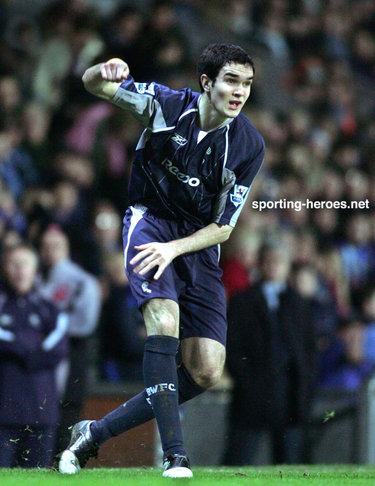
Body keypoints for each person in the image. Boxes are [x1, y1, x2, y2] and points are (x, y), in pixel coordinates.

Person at [58, 43, 264, 478]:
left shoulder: (249, 145)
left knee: (206, 370)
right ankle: (176, 455)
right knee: (164, 322)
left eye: (246, 83)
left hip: (198, 245)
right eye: (231, 80)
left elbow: (225, 225)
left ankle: (93, 434)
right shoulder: (167, 105)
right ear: (206, 82)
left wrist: (176, 249)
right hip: (150, 223)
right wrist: (104, 69)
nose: (239, 91)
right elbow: (93, 84)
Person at [222, 243, 316, 465]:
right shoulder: (242, 301)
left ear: (287, 265)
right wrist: (245, 380)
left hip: (289, 393)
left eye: (279, 261)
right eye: (268, 260)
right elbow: (233, 347)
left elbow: (309, 350)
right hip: (251, 393)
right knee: (239, 460)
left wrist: (305, 385)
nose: (273, 266)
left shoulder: (298, 303)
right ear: (260, 263)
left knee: (289, 464)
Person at [0, 243, 68, 468]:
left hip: (41, 411)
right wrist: (31, 345)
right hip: (3, 413)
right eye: (13, 264)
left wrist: (17, 346)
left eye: (25, 264)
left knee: (37, 478)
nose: (20, 270)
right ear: (4, 268)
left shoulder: (49, 309)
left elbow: (57, 349)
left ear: (35, 270)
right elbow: (38, 351)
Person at [37, 226, 101, 456]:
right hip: (41, 353)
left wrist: (48, 330)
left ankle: (62, 456)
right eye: (45, 247)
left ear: (66, 249)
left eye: (56, 246)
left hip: (72, 351)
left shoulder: (83, 282)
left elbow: (86, 324)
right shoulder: (34, 279)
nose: (49, 252)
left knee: (68, 409)